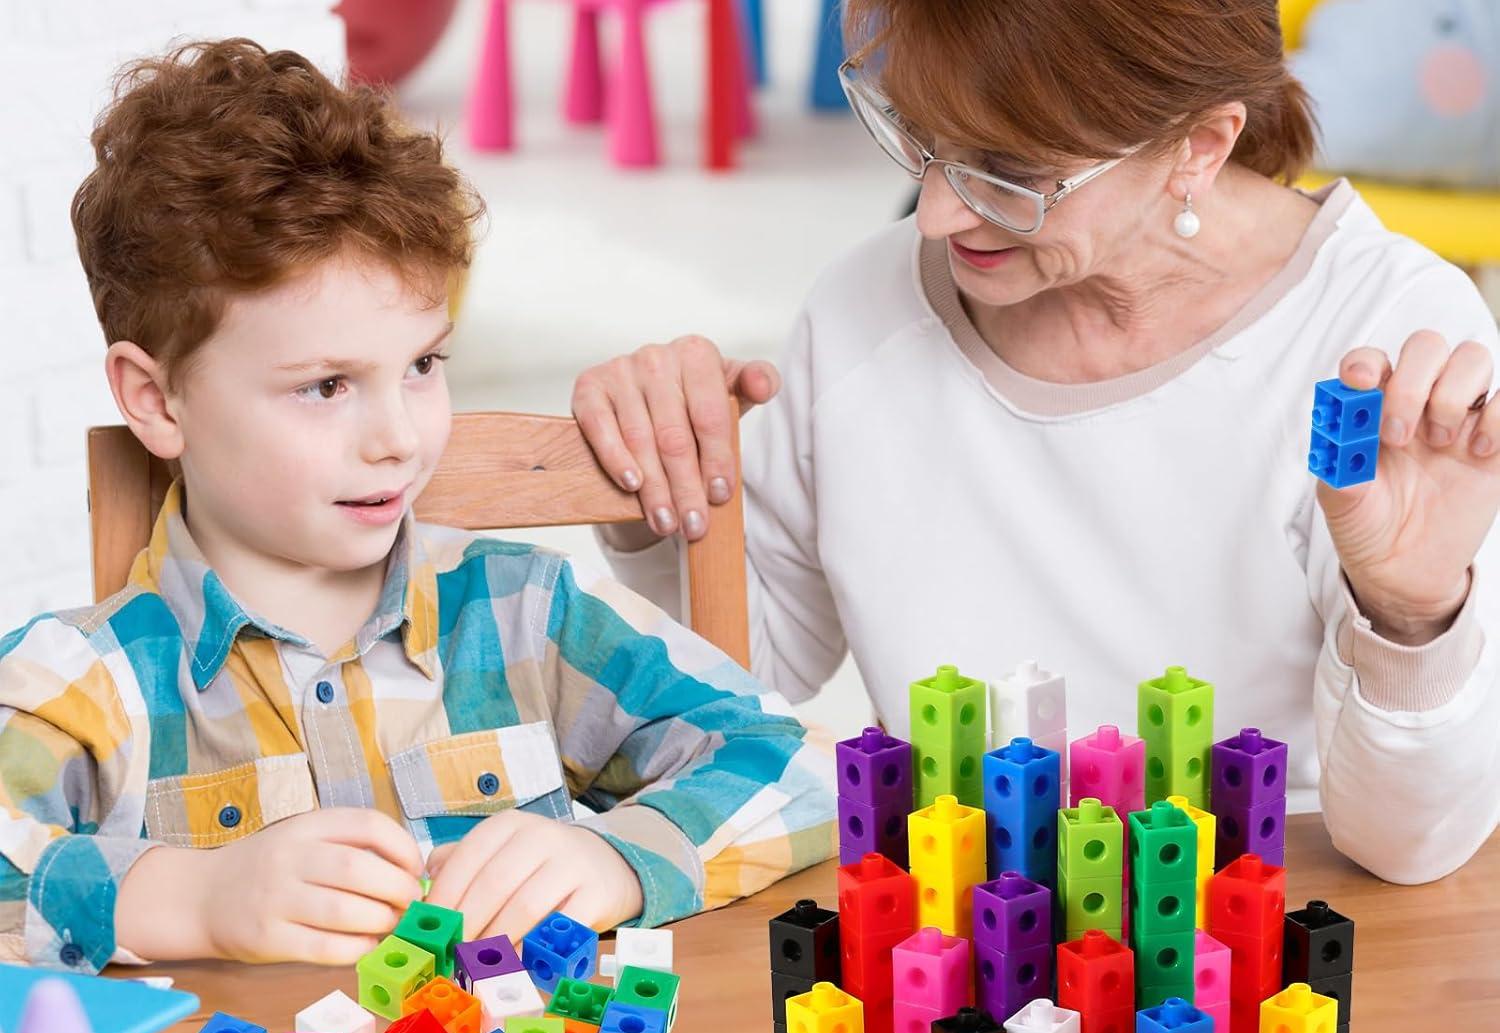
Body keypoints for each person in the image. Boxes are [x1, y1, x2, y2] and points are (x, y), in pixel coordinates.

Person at [574, 0, 1500, 885]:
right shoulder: (865, 306)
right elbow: (757, 676)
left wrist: (1412, 616)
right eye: (921, 134)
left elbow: (1408, 850)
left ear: (1200, 146)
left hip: (1262, 943)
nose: (934, 213)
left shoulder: (1391, 343)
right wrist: (664, 488)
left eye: (1010, 170)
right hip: (958, 941)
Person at [0, 39, 833, 975]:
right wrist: (188, 900)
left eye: (423, 365)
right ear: (156, 401)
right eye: (325, 386)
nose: (398, 436)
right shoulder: (77, 682)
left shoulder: (526, 613)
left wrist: (619, 855)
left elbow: (797, 763)